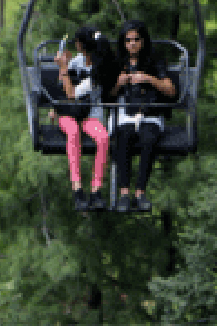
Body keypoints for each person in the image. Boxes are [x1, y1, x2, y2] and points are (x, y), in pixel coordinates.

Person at [112, 19, 176, 212]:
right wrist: (119, 83)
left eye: (136, 39)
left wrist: (149, 79)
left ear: (143, 40)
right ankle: (124, 193)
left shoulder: (155, 60)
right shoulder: (117, 62)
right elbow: (108, 94)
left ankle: (140, 192)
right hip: (126, 113)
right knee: (122, 139)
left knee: (148, 140)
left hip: (150, 113)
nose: (132, 44)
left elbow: (171, 90)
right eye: (128, 40)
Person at [52, 26, 119, 212]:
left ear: (82, 45)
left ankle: (96, 189)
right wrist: (63, 67)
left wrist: (64, 68)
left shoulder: (100, 69)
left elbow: (72, 93)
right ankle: (77, 187)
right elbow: (63, 90)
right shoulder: (76, 61)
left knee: (103, 138)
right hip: (69, 113)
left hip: (90, 114)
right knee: (73, 132)